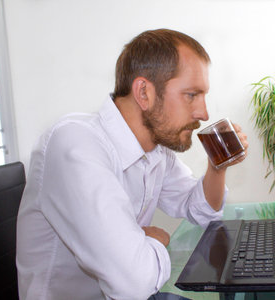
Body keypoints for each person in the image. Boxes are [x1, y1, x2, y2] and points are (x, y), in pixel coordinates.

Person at [16, 29, 248, 300]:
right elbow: (134, 283)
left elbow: (202, 213)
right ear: (144, 93)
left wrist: (217, 166)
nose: (203, 113)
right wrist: (152, 240)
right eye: (191, 95)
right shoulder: (75, 144)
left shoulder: (157, 153)